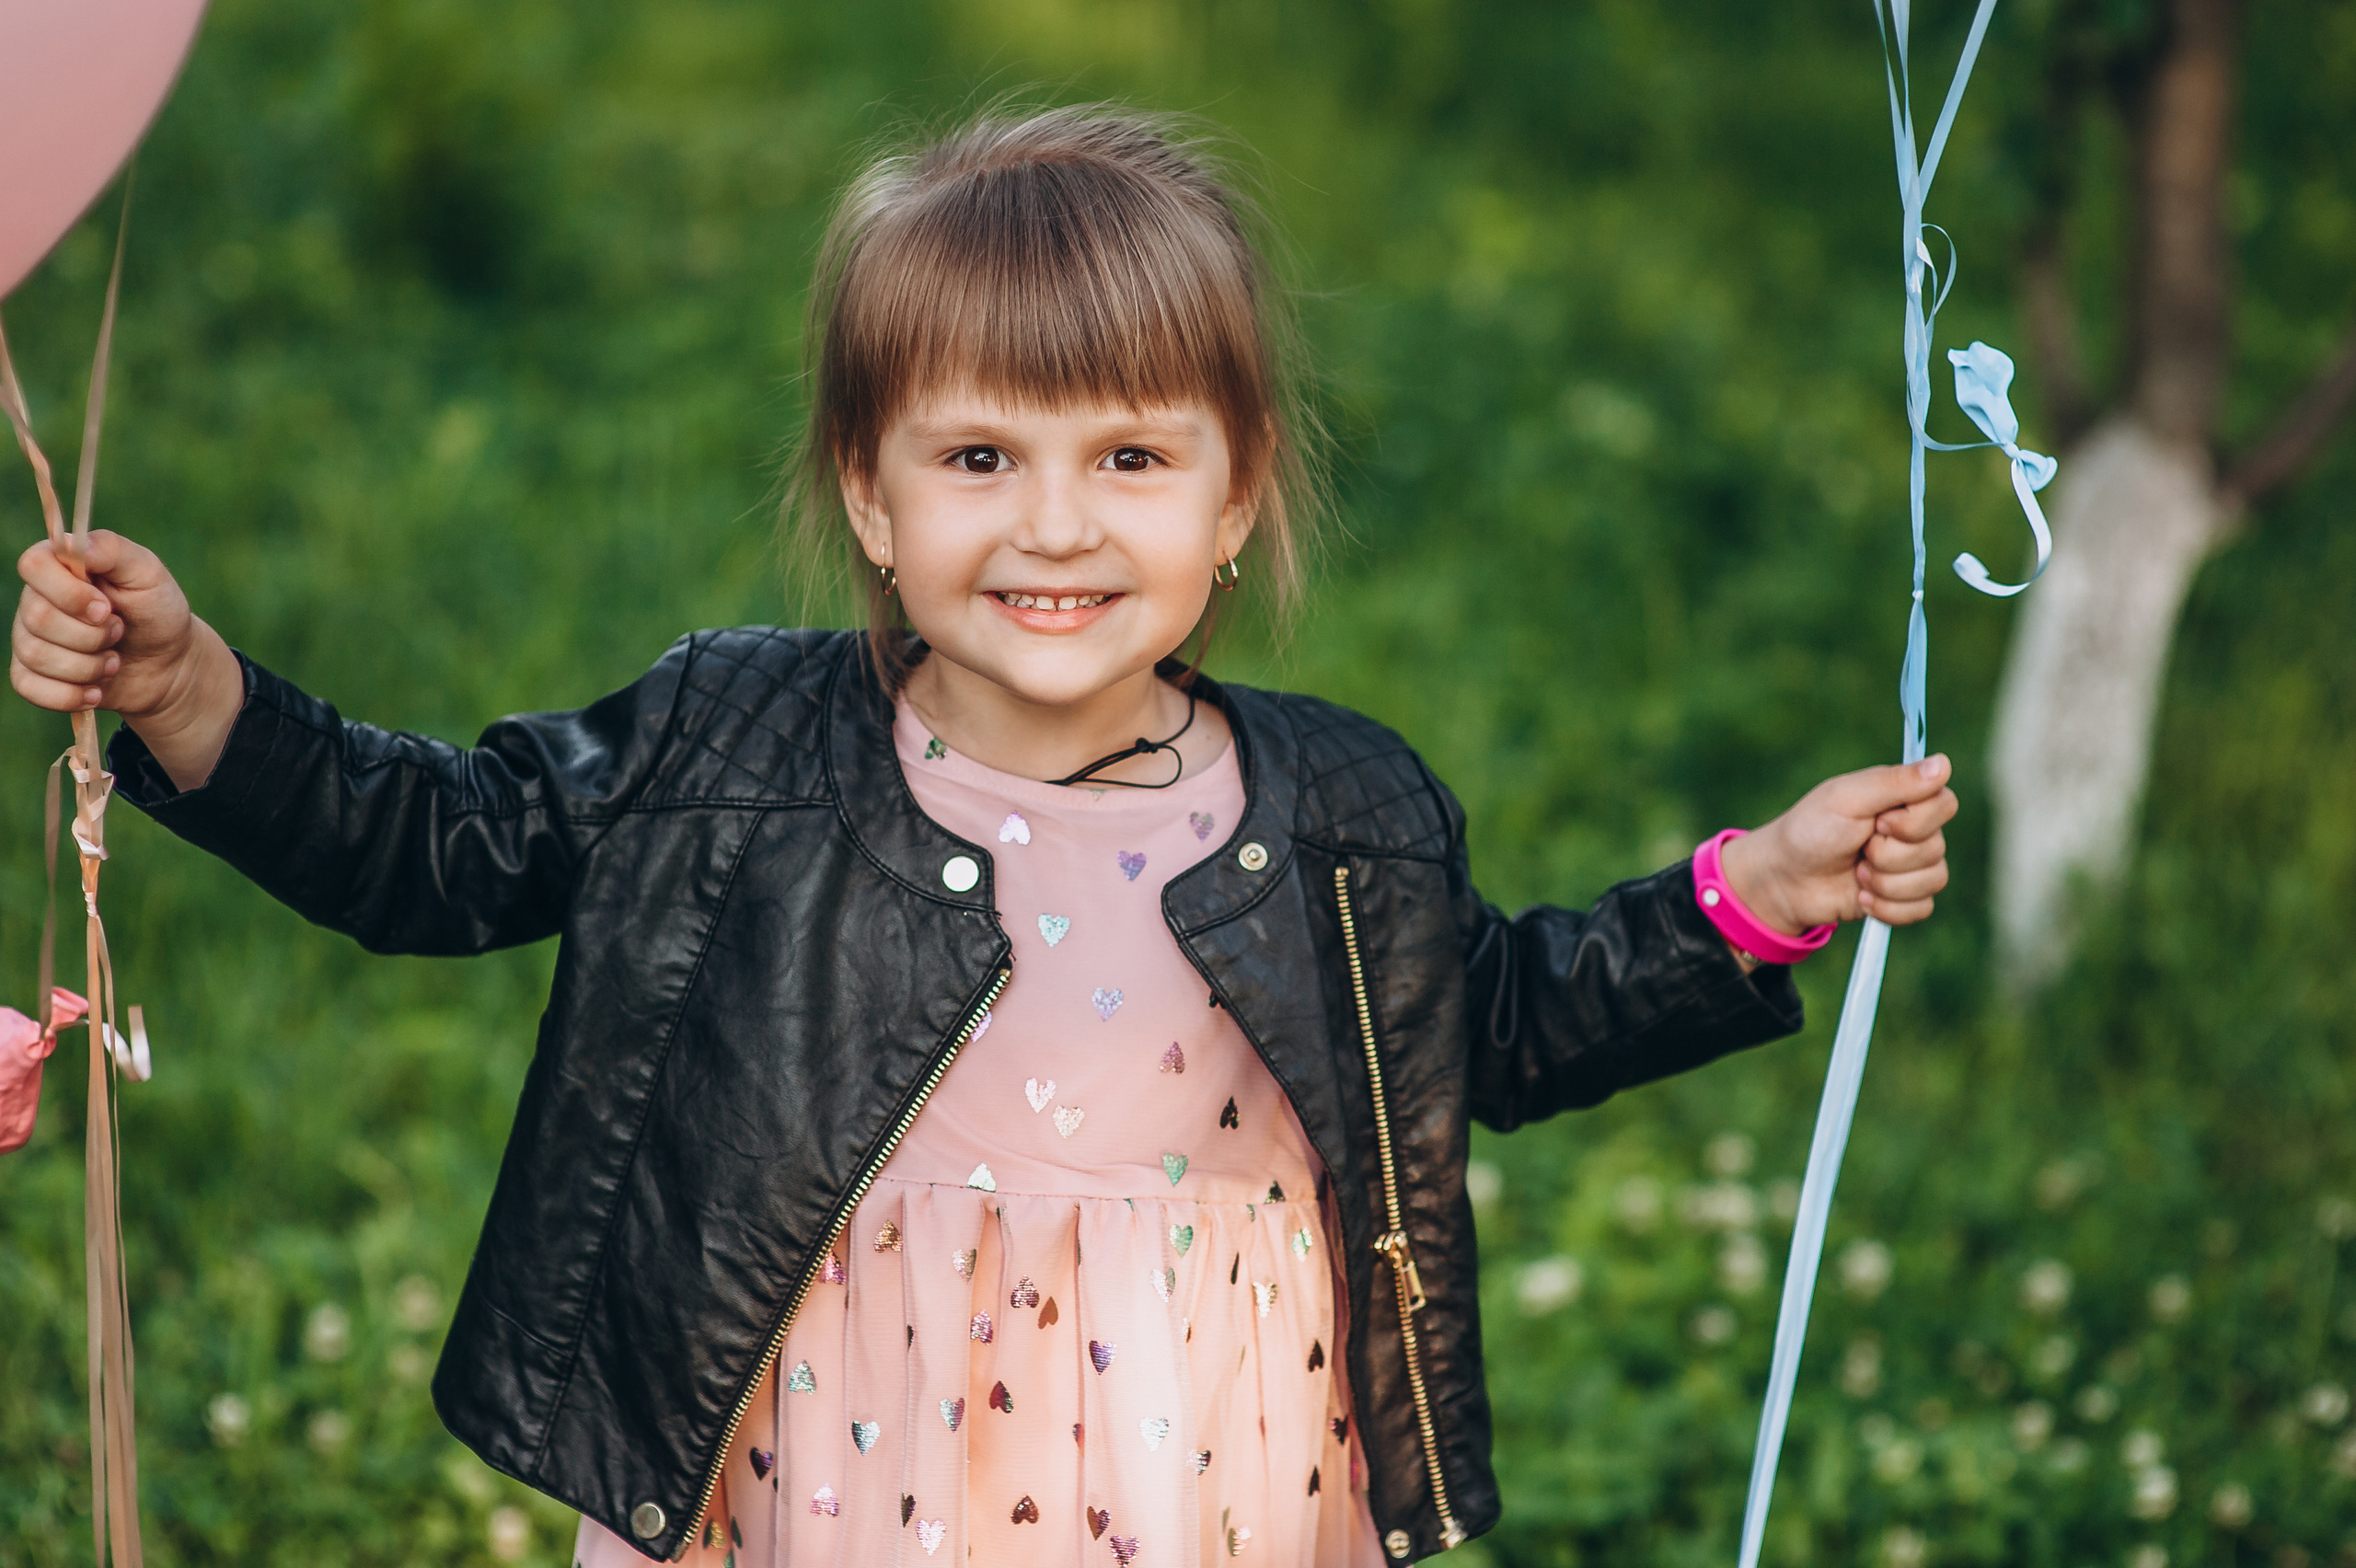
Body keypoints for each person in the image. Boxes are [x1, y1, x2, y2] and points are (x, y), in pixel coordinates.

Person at [7, 107, 1954, 1566]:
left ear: (1231, 494)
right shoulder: (731, 743)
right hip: (828, 1444)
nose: (1049, 527)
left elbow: (1486, 1028)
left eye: (1125, 457)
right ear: (869, 495)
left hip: (1206, 1469)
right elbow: (429, 849)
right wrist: (190, 692)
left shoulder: (1341, 801)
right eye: (974, 459)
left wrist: (1747, 903)